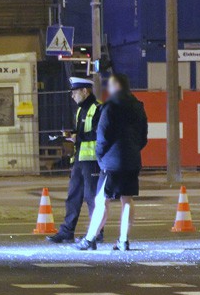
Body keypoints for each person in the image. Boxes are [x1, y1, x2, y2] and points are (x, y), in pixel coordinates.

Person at [77, 73, 148, 251]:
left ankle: (90, 238)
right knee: (127, 199)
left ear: (115, 87)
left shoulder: (110, 107)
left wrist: (100, 155)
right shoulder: (138, 107)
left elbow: (103, 136)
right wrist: (133, 150)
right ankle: (123, 241)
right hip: (132, 160)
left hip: (112, 162)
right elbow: (143, 136)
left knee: (102, 199)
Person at [46, 77, 103, 243]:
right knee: (73, 196)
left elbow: (100, 133)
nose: (72, 96)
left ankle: (96, 233)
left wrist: (78, 137)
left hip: (92, 161)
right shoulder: (80, 110)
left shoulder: (98, 109)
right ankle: (66, 231)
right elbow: (82, 132)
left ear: (85, 91)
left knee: (92, 198)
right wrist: (71, 134)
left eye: (75, 92)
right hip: (79, 160)